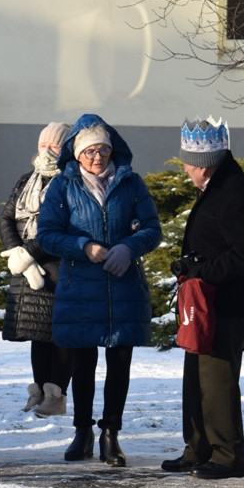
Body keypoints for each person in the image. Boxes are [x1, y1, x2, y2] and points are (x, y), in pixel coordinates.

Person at [37, 114, 162, 467]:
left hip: (124, 286)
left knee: (119, 363)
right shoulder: (63, 186)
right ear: (77, 154)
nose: (97, 158)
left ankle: (111, 434)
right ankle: (83, 432)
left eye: (103, 150)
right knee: (84, 364)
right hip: (80, 287)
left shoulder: (131, 183)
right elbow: (46, 234)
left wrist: (129, 247)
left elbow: (152, 229)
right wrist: (83, 246)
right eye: (90, 151)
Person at [161, 117, 244, 480]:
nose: (186, 168)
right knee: (196, 379)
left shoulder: (233, 191)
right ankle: (198, 447)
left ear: (205, 165)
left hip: (224, 304)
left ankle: (226, 456)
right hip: (204, 304)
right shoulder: (216, 188)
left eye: (190, 163)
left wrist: (202, 270)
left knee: (218, 381)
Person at [0, 122, 72, 417]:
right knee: (36, 331)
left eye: (55, 146)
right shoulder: (26, 179)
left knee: (59, 334)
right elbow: (6, 219)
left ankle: (57, 394)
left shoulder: (70, 182)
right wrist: (17, 251)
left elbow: (63, 226)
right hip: (26, 268)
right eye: (44, 144)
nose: (47, 151)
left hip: (57, 267)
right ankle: (39, 390)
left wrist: (29, 254)